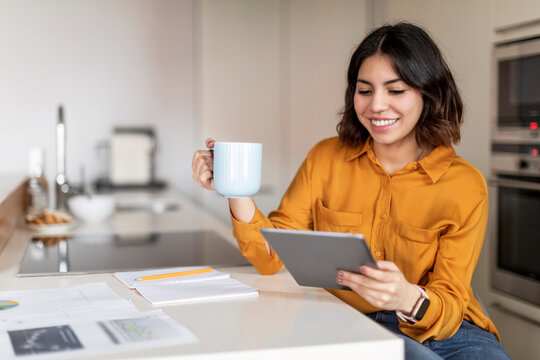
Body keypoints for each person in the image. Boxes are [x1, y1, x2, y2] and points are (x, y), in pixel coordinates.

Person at [192, 22, 510, 360]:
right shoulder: (326, 158)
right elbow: (271, 257)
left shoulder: (464, 183)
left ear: (428, 94)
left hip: (449, 330)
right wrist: (233, 187)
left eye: (396, 90)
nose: (376, 105)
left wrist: (406, 297)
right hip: (354, 322)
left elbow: (450, 296)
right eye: (365, 90)